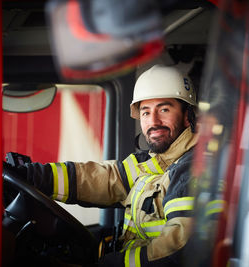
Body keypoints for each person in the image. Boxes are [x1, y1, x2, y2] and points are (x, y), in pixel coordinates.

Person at [20, 64, 198, 266]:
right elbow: (103, 178)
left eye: (164, 109)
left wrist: (111, 263)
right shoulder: (153, 163)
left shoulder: (193, 169)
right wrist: (34, 175)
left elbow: (179, 250)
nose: (153, 121)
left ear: (187, 116)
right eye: (146, 112)